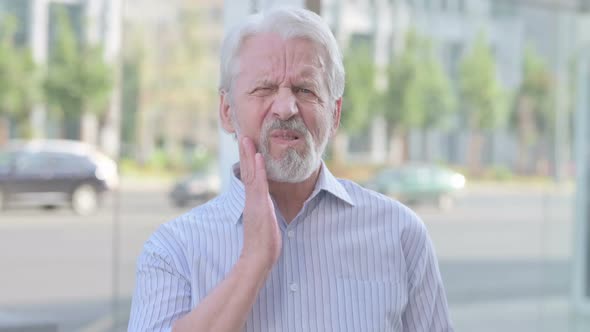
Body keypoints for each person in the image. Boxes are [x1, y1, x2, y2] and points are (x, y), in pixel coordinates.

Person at [128, 7, 453, 332]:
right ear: (227, 111)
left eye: (305, 90)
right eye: (264, 89)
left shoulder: (400, 234)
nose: (285, 108)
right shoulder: (173, 251)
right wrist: (254, 261)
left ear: (335, 114)